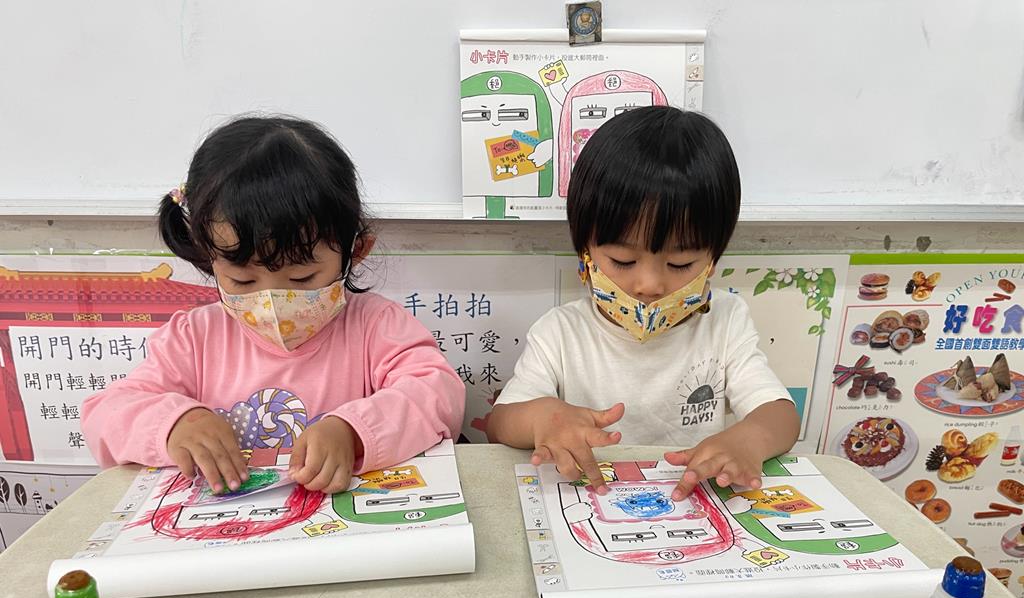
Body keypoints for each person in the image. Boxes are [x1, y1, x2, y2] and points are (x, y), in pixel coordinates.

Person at [82, 115, 464, 494]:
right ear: (207, 257)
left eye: (302, 279)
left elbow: (438, 393)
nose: (271, 300)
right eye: (243, 280)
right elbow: (105, 414)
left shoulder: (377, 326)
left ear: (356, 251)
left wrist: (352, 430)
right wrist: (175, 424)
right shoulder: (193, 338)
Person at [486, 106, 798, 500]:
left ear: (713, 260)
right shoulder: (560, 332)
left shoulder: (725, 321)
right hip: (589, 498)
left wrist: (749, 439)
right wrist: (541, 418)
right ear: (585, 253)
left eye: (680, 264)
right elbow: (499, 423)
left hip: (691, 501)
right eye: (623, 260)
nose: (649, 285)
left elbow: (781, 415)